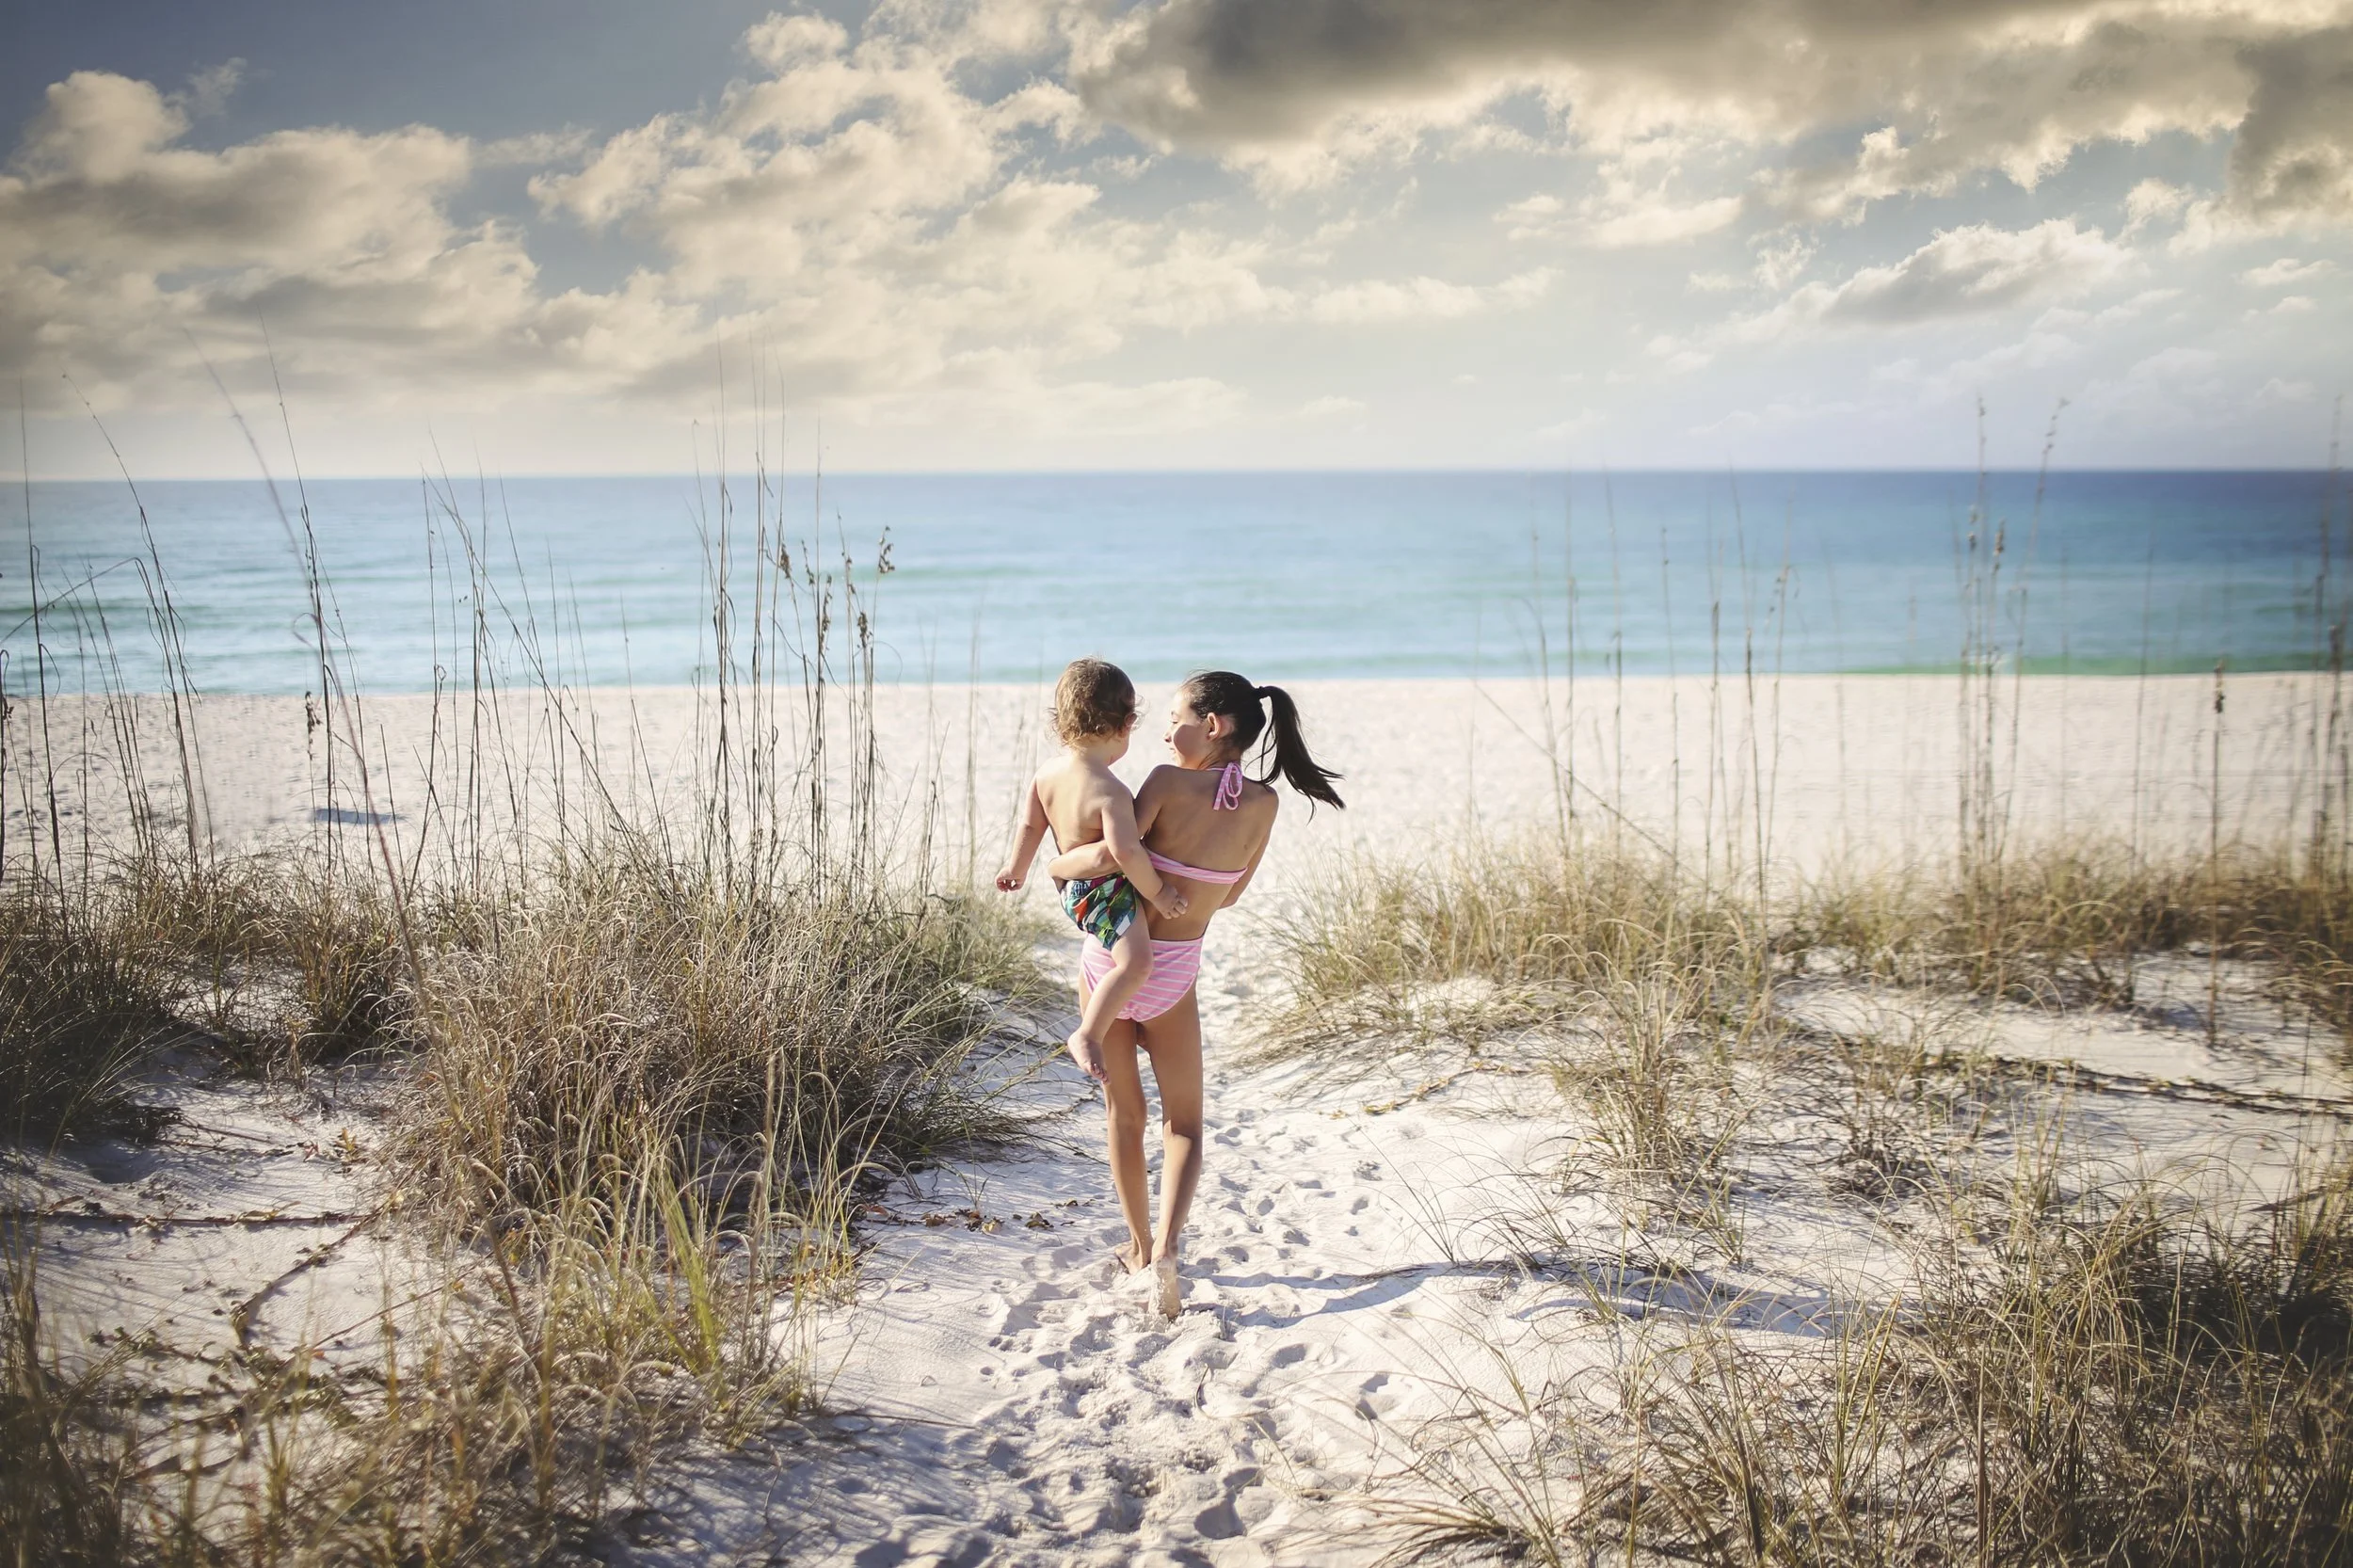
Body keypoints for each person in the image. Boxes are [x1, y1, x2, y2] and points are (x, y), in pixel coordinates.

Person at [1041, 670, 1344, 1316]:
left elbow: (1116, 857)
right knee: (1185, 1125)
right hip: (1176, 973)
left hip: (1112, 962)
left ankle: (1138, 1245)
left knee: (1126, 1117)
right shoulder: (1265, 804)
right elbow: (1231, 895)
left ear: (1212, 726)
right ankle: (1172, 1249)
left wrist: (1056, 865)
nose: (1164, 727)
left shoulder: (1162, 781)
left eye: (1175, 714)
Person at [997, 659, 1189, 1081]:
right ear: (1126, 725)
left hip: (1072, 893)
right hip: (1103, 893)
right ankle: (1087, 1033)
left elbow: (1031, 824)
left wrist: (1017, 867)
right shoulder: (1111, 792)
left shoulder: (1046, 774)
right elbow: (1126, 854)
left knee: (1127, 959)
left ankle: (1096, 1026)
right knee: (1137, 964)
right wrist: (1158, 893)